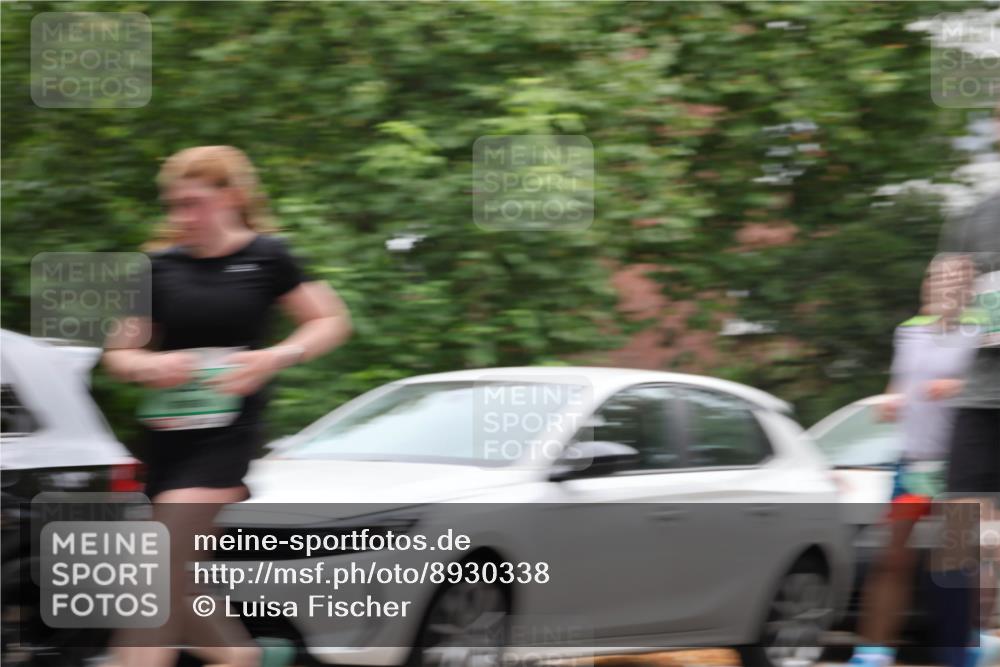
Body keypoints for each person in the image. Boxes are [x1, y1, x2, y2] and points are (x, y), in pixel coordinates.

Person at [102, 145, 352, 667]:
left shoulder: (268, 257)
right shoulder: (157, 269)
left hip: (226, 438)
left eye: (193, 203)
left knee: (154, 566)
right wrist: (150, 366)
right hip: (166, 441)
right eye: (174, 205)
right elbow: (118, 354)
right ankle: (239, 657)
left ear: (232, 197)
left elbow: (330, 320)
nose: (181, 217)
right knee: (176, 575)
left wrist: (274, 357)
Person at [848, 256, 978, 667]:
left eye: (956, 280)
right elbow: (900, 383)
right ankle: (872, 653)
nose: (945, 286)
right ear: (927, 285)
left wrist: (960, 386)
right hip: (913, 466)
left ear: (969, 290)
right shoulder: (908, 333)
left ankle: (958, 653)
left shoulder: (981, 335)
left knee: (954, 565)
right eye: (938, 278)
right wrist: (890, 401)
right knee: (892, 559)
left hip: (959, 470)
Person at [931, 179, 1000, 667]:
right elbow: (944, 306)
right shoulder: (975, 215)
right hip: (979, 396)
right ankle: (961, 646)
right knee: (959, 527)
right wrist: (955, 301)